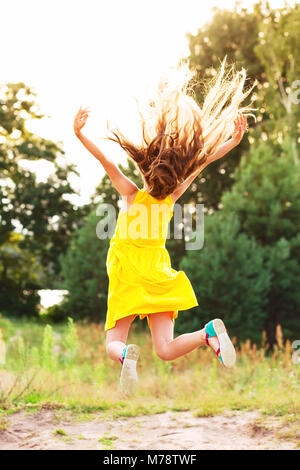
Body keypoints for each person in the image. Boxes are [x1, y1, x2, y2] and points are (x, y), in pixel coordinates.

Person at [74, 57, 256, 397]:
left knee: (114, 340)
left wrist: (79, 132)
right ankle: (208, 335)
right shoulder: (172, 195)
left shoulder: (131, 194)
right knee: (165, 348)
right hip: (157, 271)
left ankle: (126, 355)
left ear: (146, 170)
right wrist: (232, 141)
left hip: (128, 271)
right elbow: (203, 160)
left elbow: (106, 160)